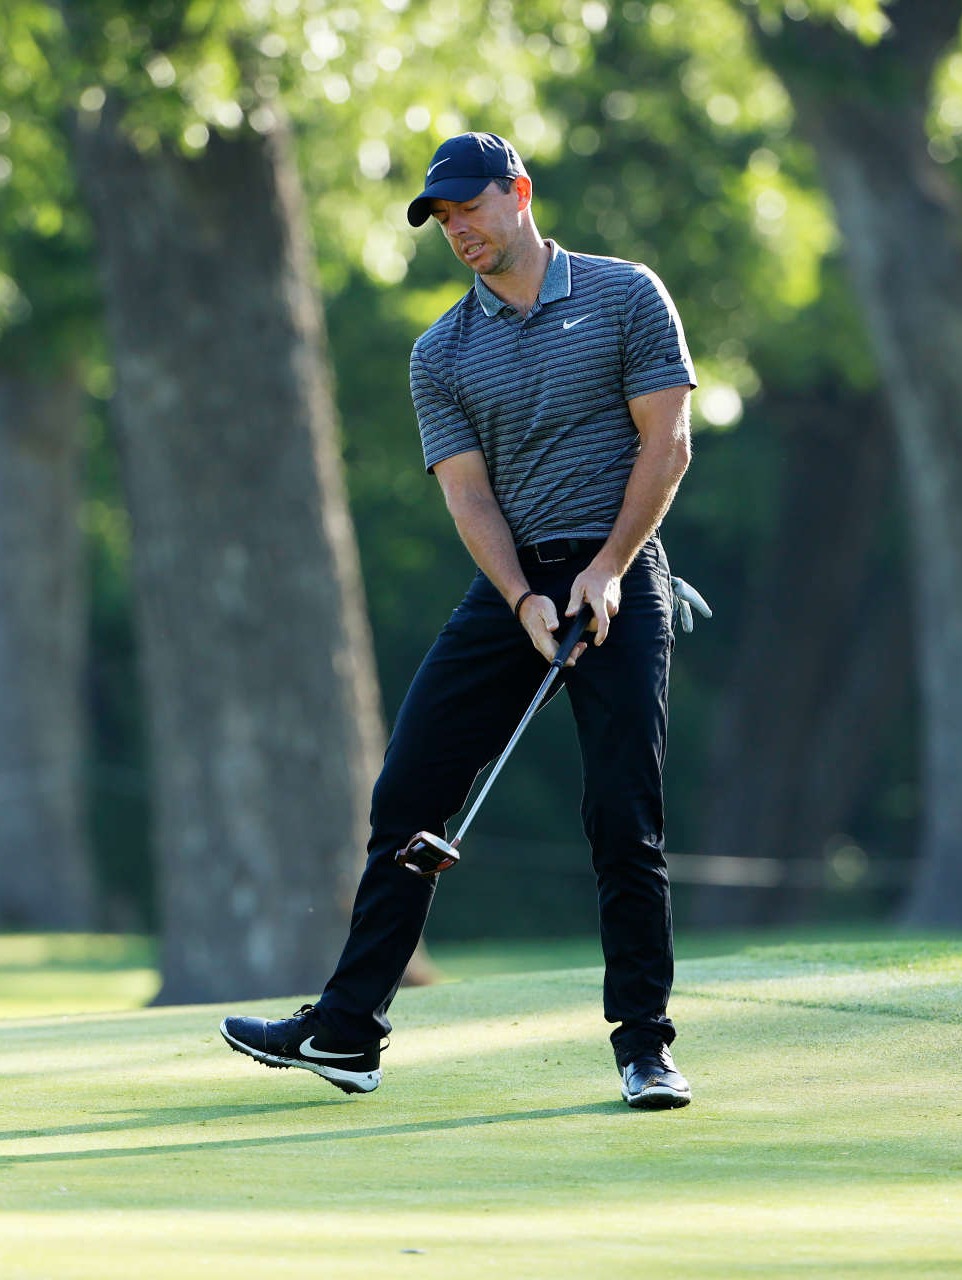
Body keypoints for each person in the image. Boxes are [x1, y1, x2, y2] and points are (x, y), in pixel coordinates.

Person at [221, 132, 697, 1109]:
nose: (458, 230)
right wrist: (524, 598)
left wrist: (605, 571)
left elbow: (668, 443)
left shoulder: (624, 294)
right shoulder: (441, 349)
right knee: (407, 792)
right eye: (442, 219)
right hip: (513, 584)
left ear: (518, 192)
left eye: (469, 207)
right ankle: (349, 1030)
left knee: (621, 811)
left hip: (619, 571)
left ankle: (645, 1045)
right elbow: (470, 497)